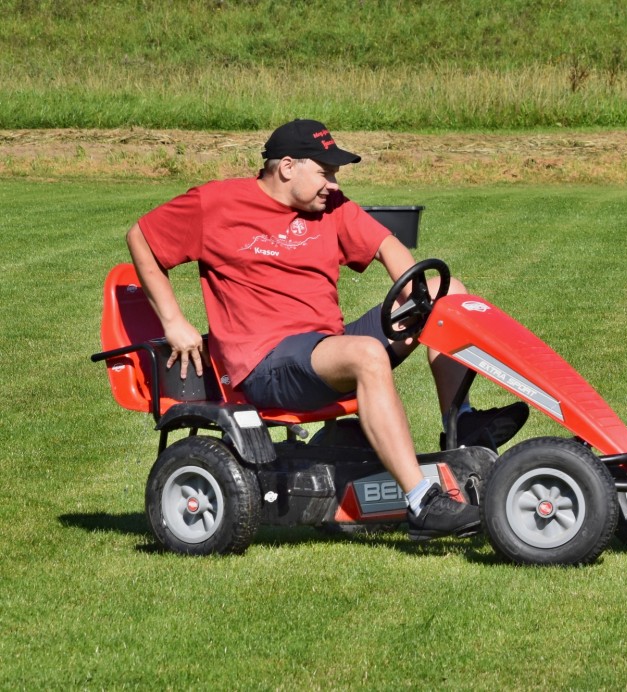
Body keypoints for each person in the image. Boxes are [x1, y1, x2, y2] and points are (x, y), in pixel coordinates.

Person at [126, 118, 528, 540]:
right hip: (265, 365)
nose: (333, 184)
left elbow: (387, 245)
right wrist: (173, 321)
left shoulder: (331, 207)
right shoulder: (216, 204)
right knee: (365, 354)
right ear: (287, 167)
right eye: (325, 172)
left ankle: (460, 426)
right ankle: (422, 502)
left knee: (448, 296)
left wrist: (424, 300)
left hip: (322, 351)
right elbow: (142, 238)